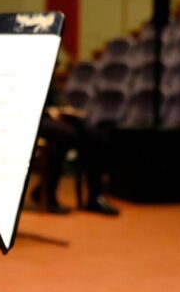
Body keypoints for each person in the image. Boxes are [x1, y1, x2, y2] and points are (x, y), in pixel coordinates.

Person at [33, 87, 120, 216]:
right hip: (30, 116)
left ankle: (95, 197)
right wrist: (47, 112)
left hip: (52, 115)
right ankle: (46, 191)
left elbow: (55, 94)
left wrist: (63, 109)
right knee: (66, 134)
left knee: (93, 135)